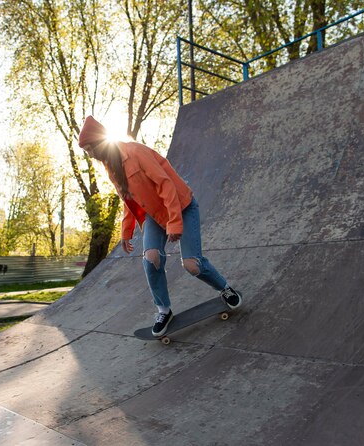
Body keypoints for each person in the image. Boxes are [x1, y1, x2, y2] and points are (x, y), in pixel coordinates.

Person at [78, 115, 242, 337]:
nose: (90, 155)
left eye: (90, 149)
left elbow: (165, 184)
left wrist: (175, 222)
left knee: (192, 265)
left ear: (99, 143)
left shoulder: (135, 152)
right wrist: (126, 232)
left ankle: (225, 289)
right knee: (151, 258)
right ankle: (164, 310)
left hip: (182, 207)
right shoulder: (111, 168)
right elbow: (128, 199)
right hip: (154, 216)